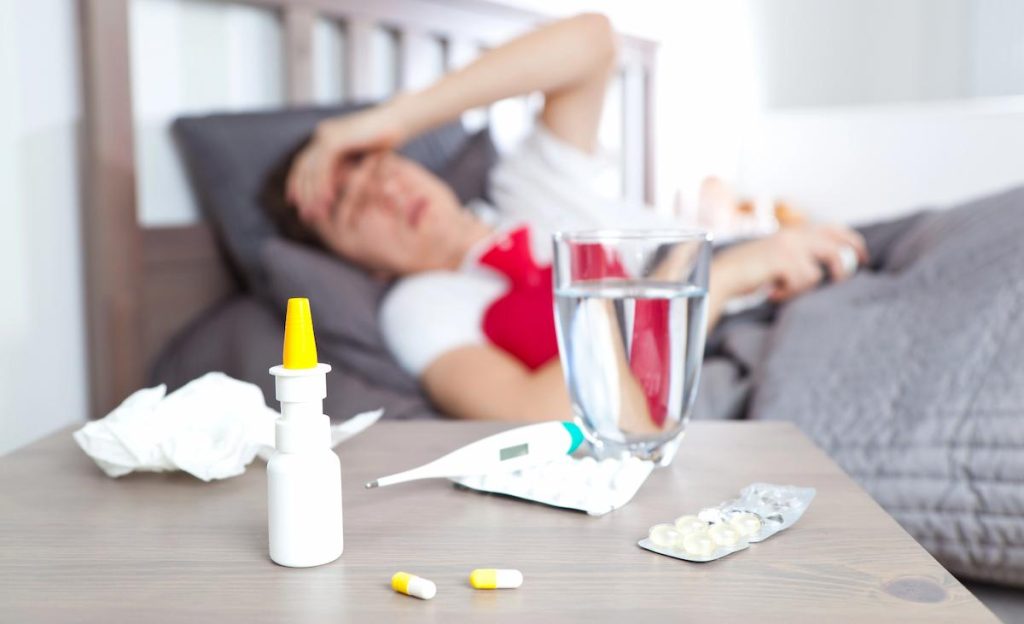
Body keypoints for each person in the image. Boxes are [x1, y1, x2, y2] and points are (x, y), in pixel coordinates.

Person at [283, 14, 867, 423]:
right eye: (352, 208)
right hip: (727, 343)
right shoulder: (420, 304)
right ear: (356, 262)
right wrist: (726, 276)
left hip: (786, 277)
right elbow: (547, 413)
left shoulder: (525, 186)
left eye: (382, 166)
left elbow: (592, 39)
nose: (385, 193)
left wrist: (392, 119)